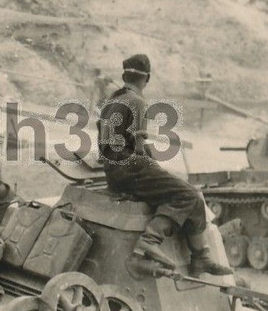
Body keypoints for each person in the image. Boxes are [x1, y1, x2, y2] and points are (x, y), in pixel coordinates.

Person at [97, 54, 232, 277]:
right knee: (188, 195)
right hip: (130, 167)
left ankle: (201, 259)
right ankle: (149, 241)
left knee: (190, 194)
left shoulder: (112, 100)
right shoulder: (137, 101)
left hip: (114, 171)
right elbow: (140, 149)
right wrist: (154, 169)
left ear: (124, 76)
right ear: (147, 79)